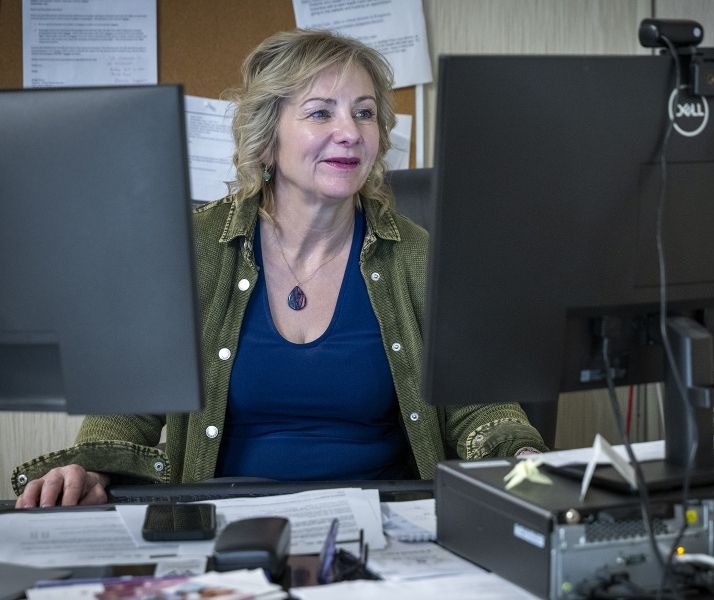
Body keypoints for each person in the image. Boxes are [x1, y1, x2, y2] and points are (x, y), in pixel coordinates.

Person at [12, 29, 546, 508]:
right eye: (321, 112)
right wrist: (89, 468)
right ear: (268, 139)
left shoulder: (417, 256)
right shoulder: (194, 248)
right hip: (220, 522)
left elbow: (479, 408)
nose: (350, 132)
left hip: (385, 521)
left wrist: (523, 455)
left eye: (363, 112)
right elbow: (130, 403)